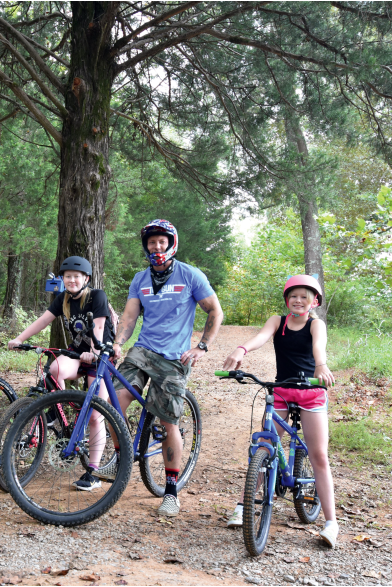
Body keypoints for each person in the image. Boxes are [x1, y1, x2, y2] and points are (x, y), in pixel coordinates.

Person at [106, 219, 224, 517]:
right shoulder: (140, 279)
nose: (156, 247)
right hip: (143, 351)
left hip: (174, 358)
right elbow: (130, 317)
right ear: (146, 245)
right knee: (112, 403)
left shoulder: (191, 275)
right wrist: (118, 342)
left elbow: (214, 310)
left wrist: (202, 346)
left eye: (161, 241)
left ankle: (170, 491)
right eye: (151, 242)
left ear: (171, 243)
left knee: (167, 423)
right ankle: (122, 459)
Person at [221, 275, 339, 547]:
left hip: (311, 392)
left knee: (319, 455)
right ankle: (243, 505)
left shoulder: (315, 324)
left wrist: (321, 366)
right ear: (287, 300)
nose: (298, 301)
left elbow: (318, 348)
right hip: (282, 390)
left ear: (314, 301)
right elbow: (261, 338)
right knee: (264, 443)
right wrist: (241, 349)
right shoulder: (278, 321)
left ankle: (331, 522)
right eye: (293, 296)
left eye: (304, 296)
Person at [8, 256, 115, 491]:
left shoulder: (97, 296)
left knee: (97, 413)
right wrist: (19, 339)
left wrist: (94, 352)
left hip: (100, 357)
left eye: (77, 277)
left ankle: (93, 472)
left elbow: (98, 327)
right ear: (63, 279)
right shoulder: (63, 299)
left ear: (86, 278)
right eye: (68, 276)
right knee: (55, 368)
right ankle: (58, 410)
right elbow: (43, 320)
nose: (72, 280)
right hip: (78, 355)